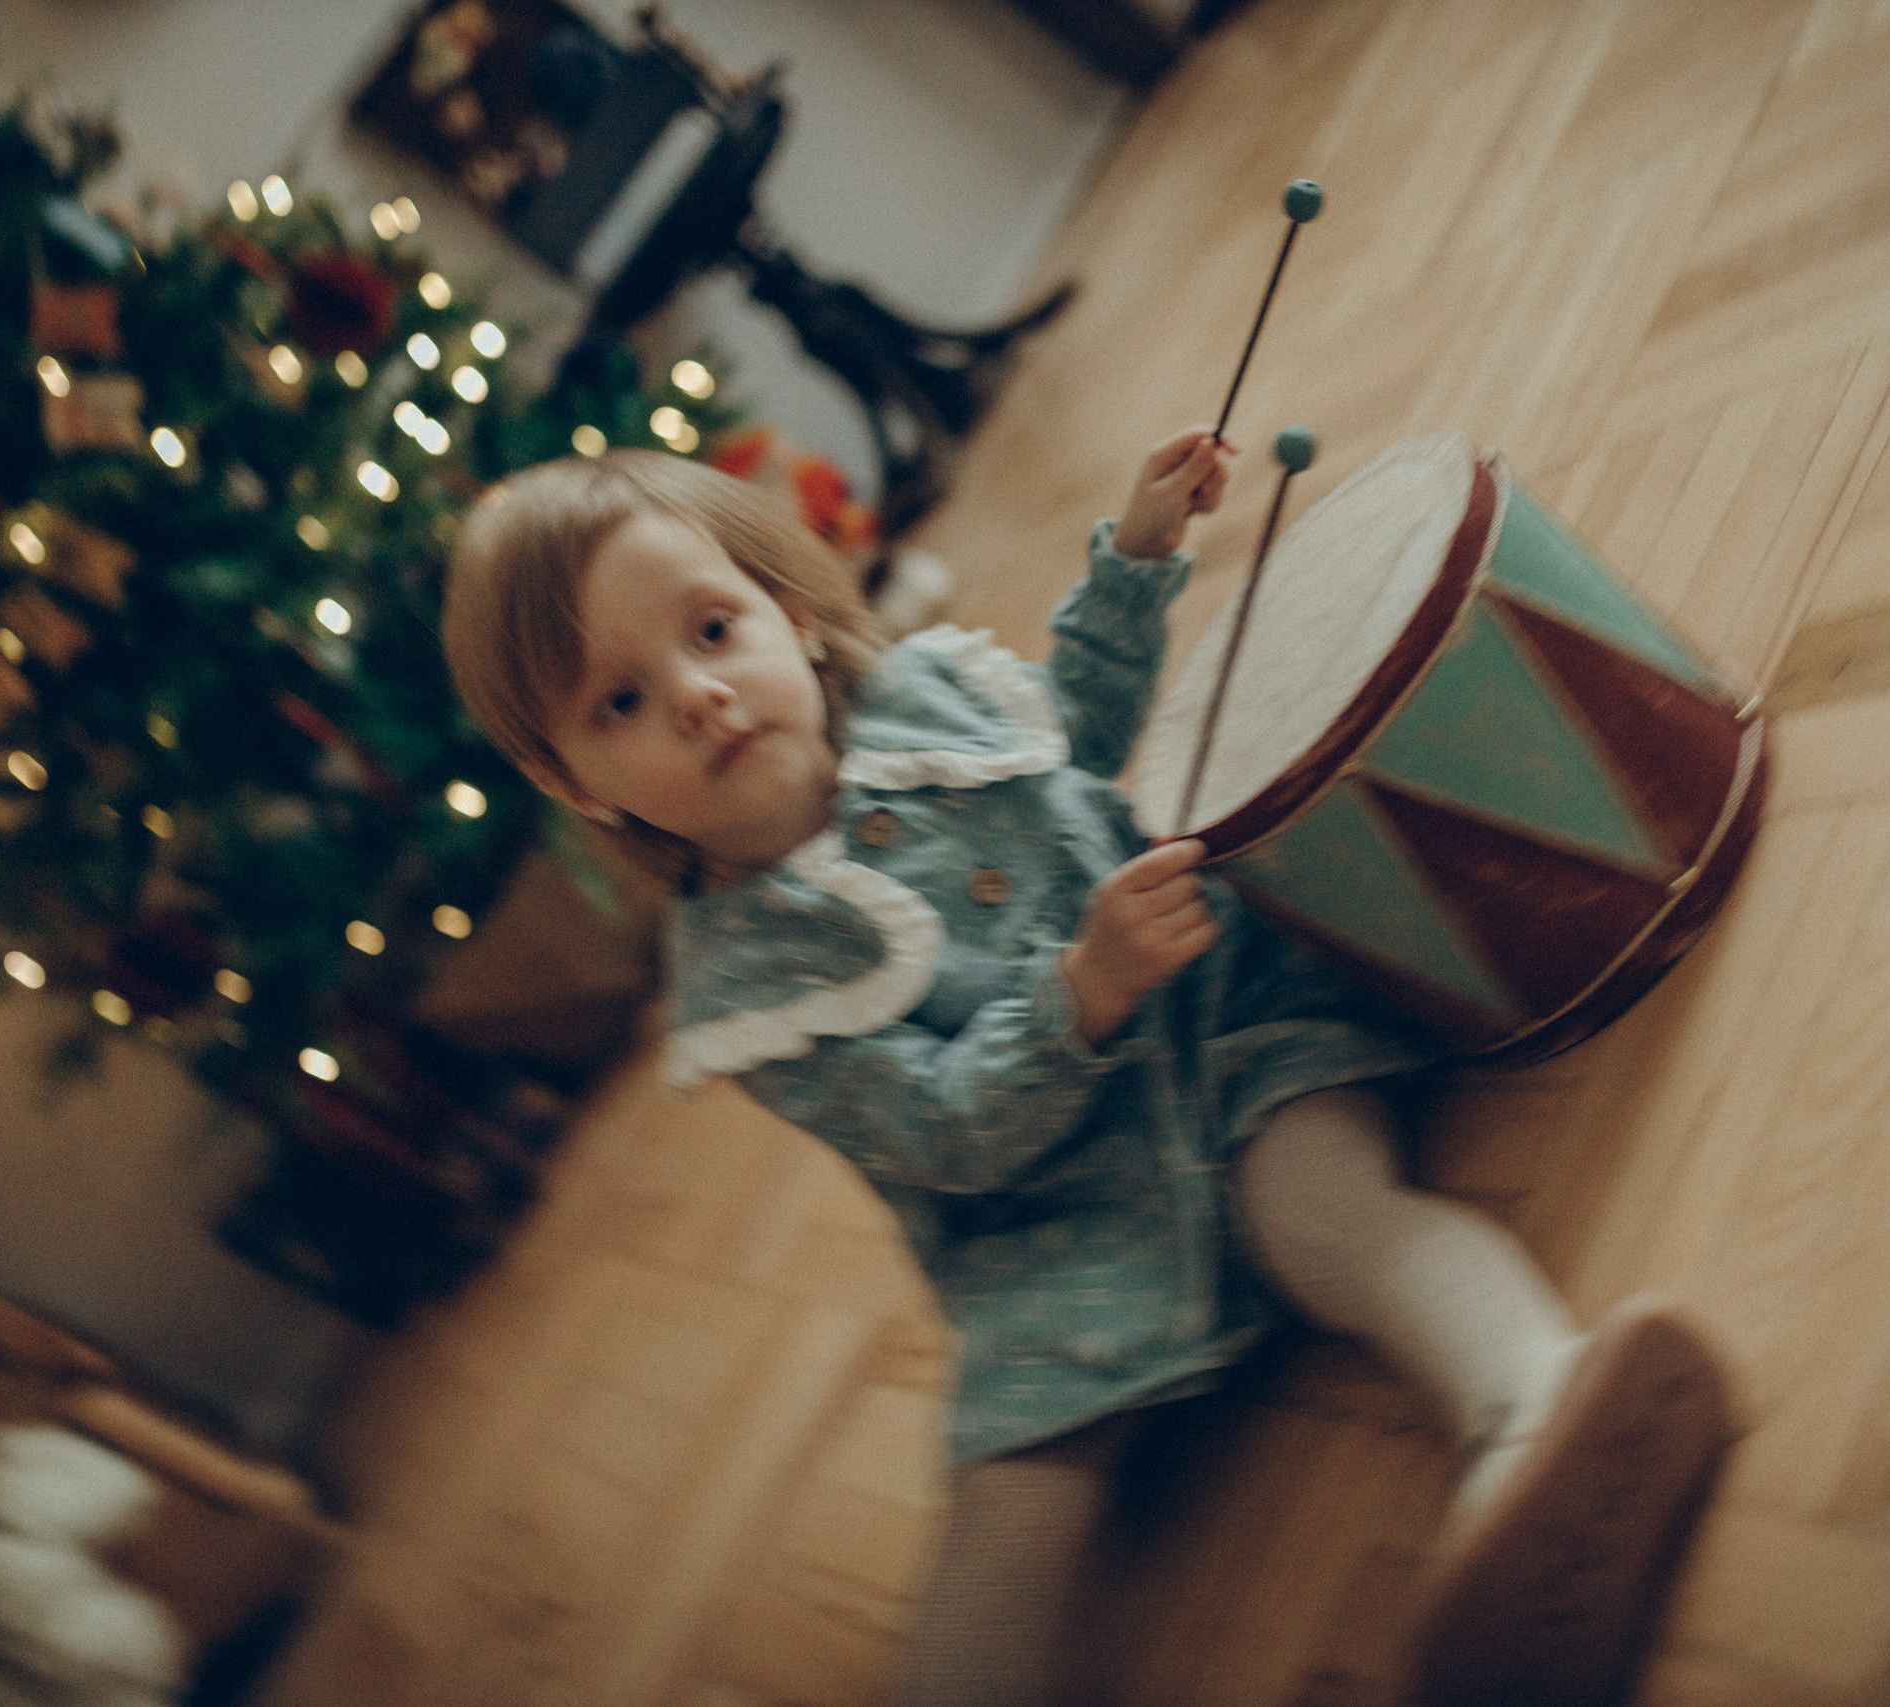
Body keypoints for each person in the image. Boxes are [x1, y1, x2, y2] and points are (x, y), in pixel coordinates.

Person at [440, 431, 1732, 1707]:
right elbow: (946, 1132)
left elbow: (1080, 724)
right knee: (1014, 1505)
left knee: (1337, 1218)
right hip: (1055, 1228)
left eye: (712, 630)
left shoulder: (926, 694)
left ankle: (1536, 1411)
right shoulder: (746, 997)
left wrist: (1138, 557)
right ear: (575, 781)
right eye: (620, 703)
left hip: (1226, 1029)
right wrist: (1076, 996)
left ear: (787, 612)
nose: (696, 695)